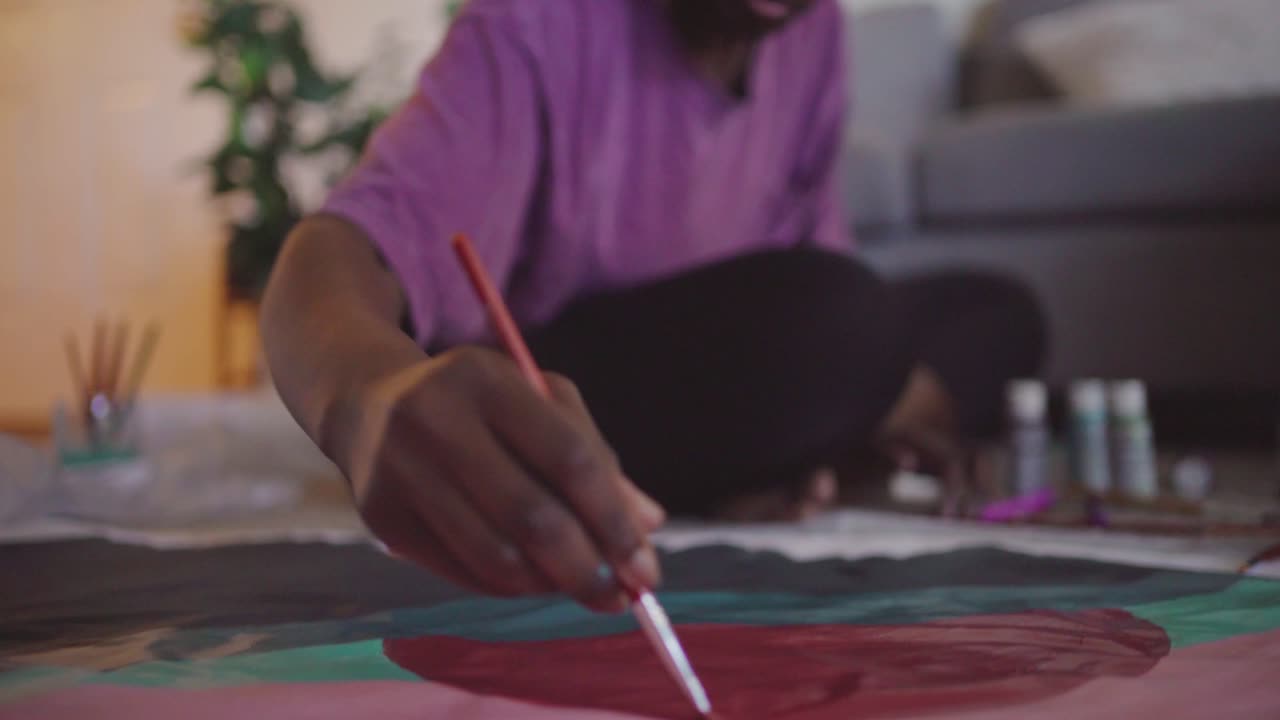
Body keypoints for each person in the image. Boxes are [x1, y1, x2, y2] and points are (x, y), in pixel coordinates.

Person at [261, 0, 1044, 612]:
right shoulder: (534, 25)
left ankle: (804, 440)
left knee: (999, 313)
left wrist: (845, 379)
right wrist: (364, 398)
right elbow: (333, 254)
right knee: (845, 323)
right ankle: (816, 441)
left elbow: (812, 263)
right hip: (581, 387)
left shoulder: (813, 35)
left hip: (755, 345)